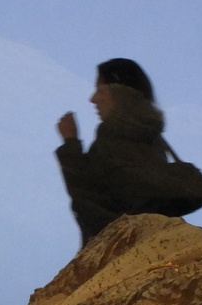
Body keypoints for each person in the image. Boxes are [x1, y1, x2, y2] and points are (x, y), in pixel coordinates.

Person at [55, 58, 172, 245]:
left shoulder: (117, 142)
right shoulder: (150, 140)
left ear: (121, 95)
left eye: (101, 90)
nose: (93, 99)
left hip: (116, 255)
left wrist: (71, 143)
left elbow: (87, 198)